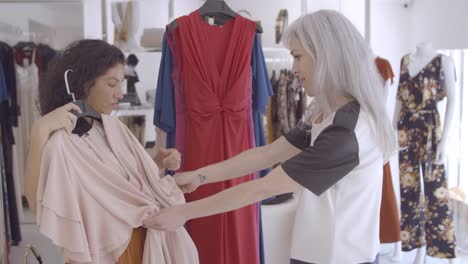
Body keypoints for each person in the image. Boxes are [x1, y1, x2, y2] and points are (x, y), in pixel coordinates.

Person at [143, 10, 396, 264]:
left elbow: (265, 186)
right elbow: (267, 154)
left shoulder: (347, 132)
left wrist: (185, 213)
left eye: (298, 57)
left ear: (325, 56)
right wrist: (201, 176)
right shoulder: (327, 115)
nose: (294, 69)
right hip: (318, 253)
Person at [23, 39, 195, 264]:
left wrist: (155, 163)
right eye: (112, 84)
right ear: (81, 84)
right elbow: (39, 204)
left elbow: (121, 188)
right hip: (108, 254)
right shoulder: (62, 143)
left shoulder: (113, 129)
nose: (120, 94)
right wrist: (39, 131)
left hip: (140, 245)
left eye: (121, 84)